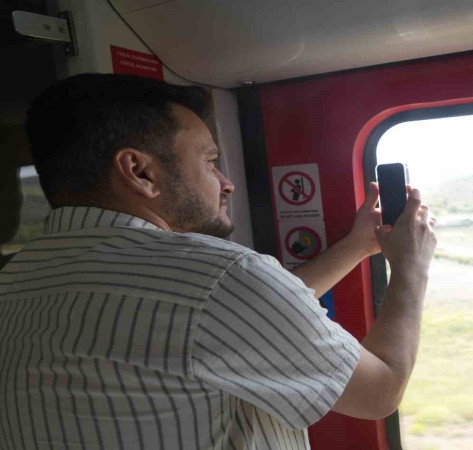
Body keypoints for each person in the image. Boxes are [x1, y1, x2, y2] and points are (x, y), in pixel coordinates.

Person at [0, 73, 436, 449]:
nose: (226, 183)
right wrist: (411, 269)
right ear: (139, 172)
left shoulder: (15, 277)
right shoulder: (220, 278)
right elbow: (379, 392)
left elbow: (243, 317)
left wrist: (358, 246)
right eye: (210, 161)